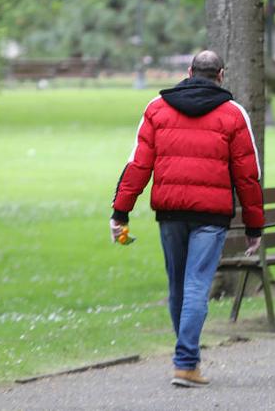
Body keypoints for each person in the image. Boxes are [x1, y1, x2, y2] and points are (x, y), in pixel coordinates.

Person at [110, 50, 264, 388]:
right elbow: (248, 176)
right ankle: (185, 361)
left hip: (171, 212)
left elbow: (138, 164)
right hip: (211, 215)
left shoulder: (156, 109)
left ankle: (186, 359)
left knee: (178, 283)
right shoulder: (233, 114)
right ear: (220, 75)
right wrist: (254, 226)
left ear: (190, 71)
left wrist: (120, 212)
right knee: (196, 284)